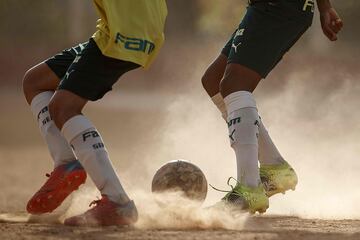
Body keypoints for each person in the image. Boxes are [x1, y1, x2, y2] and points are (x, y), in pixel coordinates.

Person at [22, 0, 167, 226]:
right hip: (112, 31)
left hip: (127, 32)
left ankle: (118, 202)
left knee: (63, 107)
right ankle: (66, 164)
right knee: (35, 81)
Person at [202, 0, 343, 213]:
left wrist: (324, 7)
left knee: (234, 84)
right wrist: (324, 7)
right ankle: (275, 168)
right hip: (267, 7)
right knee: (214, 80)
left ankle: (248, 190)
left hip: (278, 6)